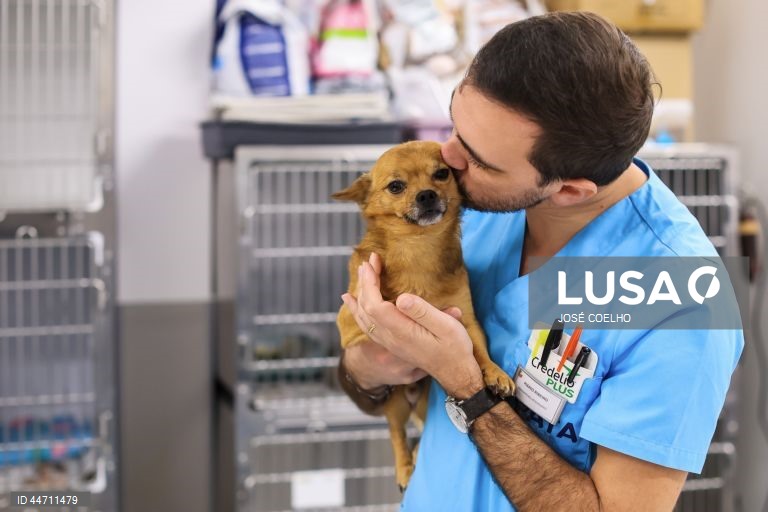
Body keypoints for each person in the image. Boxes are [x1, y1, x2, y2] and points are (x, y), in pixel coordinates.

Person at [338, 11, 744, 511]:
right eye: (454, 124)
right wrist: (370, 364)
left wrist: (468, 385)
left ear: (570, 190)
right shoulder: (467, 208)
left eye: (480, 159)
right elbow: (364, 384)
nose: (448, 159)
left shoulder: (680, 301)